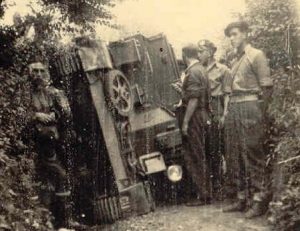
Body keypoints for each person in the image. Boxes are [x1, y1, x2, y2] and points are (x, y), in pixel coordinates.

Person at [222, 21, 273, 218]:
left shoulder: (256, 55)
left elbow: (267, 87)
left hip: (250, 107)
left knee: (253, 153)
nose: (232, 38)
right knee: (235, 154)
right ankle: (242, 198)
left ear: (245, 34)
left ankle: (260, 200)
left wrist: (260, 114)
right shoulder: (234, 60)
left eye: (235, 34)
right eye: (230, 35)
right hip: (235, 107)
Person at [27, 61, 72, 228]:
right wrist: (36, 115)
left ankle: (60, 223)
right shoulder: (24, 93)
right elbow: (19, 115)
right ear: (29, 74)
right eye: (35, 71)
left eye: (41, 71)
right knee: (56, 179)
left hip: (52, 143)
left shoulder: (48, 93)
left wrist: (54, 114)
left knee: (54, 181)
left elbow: (60, 112)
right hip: (35, 146)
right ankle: (59, 223)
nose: (38, 74)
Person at [197, 40, 232, 200]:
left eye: (202, 50)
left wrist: (225, 114)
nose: (199, 54)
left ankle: (229, 186)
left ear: (210, 52)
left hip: (217, 110)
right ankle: (216, 186)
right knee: (209, 149)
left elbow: (227, 94)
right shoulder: (199, 70)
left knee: (223, 148)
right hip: (204, 112)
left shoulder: (223, 70)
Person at [179, 44, 212, 206]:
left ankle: (204, 195)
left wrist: (185, 122)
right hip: (203, 114)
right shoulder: (201, 69)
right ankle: (206, 192)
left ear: (185, 55)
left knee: (195, 154)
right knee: (201, 153)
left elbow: (194, 99)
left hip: (195, 117)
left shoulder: (192, 72)